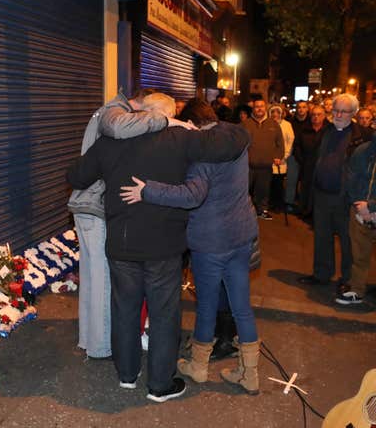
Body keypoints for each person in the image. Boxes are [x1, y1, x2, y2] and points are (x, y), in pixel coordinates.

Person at [66, 93, 249, 403]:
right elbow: (232, 142)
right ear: (169, 115)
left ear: (142, 112)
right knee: (164, 314)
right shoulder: (179, 138)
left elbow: (76, 175)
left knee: (125, 308)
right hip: (163, 247)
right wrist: (190, 127)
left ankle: (126, 374)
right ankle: (160, 385)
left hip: (122, 243)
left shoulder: (111, 142)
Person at [119, 99, 260, 394]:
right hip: (242, 235)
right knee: (242, 306)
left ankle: (198, 366)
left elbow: (191, 196)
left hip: (211, 242)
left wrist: (148, 190)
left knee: (207, 306)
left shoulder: (202, 156)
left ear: (193, 125)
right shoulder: (236, 139)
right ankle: (250, 374)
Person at [67, 88, 171, 360]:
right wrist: (162, 120)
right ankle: (101, 347)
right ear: (141, 106)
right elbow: (116, 129)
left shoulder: (113, 114)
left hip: (85, 205)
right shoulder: (115, 115)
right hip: (94, 205)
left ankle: (89, 340)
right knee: (101, 281)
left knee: (91, 279)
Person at [299, 94, 367, 304]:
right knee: (322, 236)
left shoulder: (362, 136)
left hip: (345, 197)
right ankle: (321, 274)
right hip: (321, 193)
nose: (337, 115)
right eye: (335, 110)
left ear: (353, 113)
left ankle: (347, 279)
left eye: (343, 111)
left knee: (348, 241)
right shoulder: (326, 131)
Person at [344, 135, 376, 306]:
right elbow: (351, 179)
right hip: (359, 211)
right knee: (359, 255)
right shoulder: (362, 150)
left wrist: (371, 206)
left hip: (370, 209)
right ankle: (357, 290)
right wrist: (359, 206)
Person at [243, 99, 284, 220]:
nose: (259, 109)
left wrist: (278, 156)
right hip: (248, 165)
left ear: (265, 108)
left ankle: (261, 210)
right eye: (256, 107)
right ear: (253, 109)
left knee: (263, 190)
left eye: (261, 106)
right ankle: (243, 211)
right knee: (245, 190)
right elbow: (238, 142)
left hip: (265, 165)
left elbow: (280, 143)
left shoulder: (273, 124)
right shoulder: (245, 124)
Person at [292, 105, 326, 217]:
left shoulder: (329, 130)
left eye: (319, 114)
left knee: (318, 190)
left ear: (324, 116)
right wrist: (301, 159)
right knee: (305, 187)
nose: (316, 117)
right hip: (307, 163)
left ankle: (316, 212)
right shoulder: (304, 130)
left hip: (322, 166)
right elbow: (297, 146)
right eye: (313, 115)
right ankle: (304, 209)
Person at [268, 105, 295, 212]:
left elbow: (290, 141)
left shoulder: (287, 125)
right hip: (269, 159)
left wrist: (284, 156)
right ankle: (270, 203)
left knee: (279, 183)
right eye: (273, 112)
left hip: (281, 160)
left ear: (281, 113)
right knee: (270, 183)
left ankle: (279, 204)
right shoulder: (267, 124)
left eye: (277, 112)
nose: (275, 114)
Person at [285, 101, 310, 212]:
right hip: (293, 155)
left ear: (307, 109)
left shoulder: (310, 122)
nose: (301, 109)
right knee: (291, 180)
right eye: (299, 107)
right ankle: (289, 202)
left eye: (304, 107)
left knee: (305, 181)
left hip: (307, 156)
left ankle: (302, 204)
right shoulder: (290, 122)